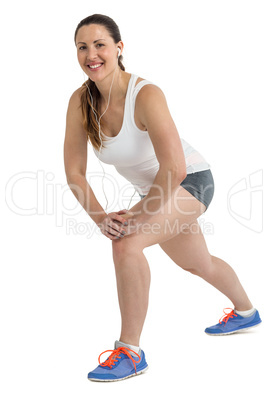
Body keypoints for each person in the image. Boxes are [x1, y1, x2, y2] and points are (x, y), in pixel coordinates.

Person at [64, 14, 262, 382]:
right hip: (157, 190)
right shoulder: (81, 101)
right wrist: (101, 217)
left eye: (100, 44)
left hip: (191, 181)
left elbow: (175, 168)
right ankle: (246, 312)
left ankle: (130, 352)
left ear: (119, 48)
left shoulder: (146, 94)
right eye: (82, 46)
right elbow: (74, 171)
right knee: (198, 263)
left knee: (126, 244)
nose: (91, 54)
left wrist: (138, 215)